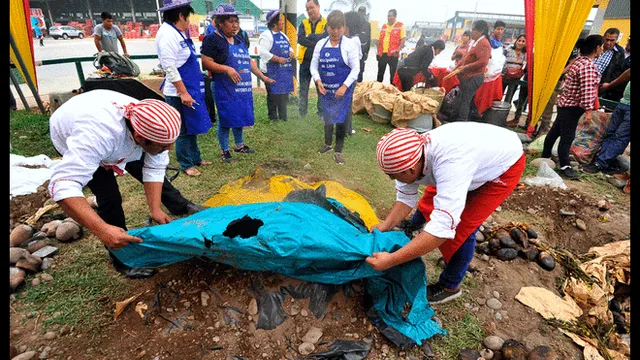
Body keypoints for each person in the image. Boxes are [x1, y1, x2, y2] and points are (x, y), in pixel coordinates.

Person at [47, 90, 206, 278]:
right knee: (109, 196)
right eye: (163, 146)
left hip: (106, 117)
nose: (168, 149)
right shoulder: (97, 137)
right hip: (69, 129)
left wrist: (154, 209)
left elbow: (154, 168)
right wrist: (102, 231)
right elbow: (63, 185)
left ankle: (178, 205)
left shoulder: (154, 123)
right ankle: (121, 258)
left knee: (149, 162)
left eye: (170, 143)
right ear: (139, 138)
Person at [366, 124, 525, 304]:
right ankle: (415, 228)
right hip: (474, 155)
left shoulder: (451, 164)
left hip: (502, 166)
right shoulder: (412, 154)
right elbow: (405, 198)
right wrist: (384, 226)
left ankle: (450, 286)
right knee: (429, 204)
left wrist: (392, 260)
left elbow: (442, 228)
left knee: (461, 229)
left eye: (393, 176)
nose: (393, 180)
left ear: (411, 169)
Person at [201, 3, 274, 163]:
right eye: (231, 21)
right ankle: (224, 149)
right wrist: (227, 69)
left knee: (239, 116)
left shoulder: (239, 39)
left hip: (242, 90)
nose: (235, 25)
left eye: (236, 21)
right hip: (224, 88)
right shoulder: (213, 39)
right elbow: (206, 62)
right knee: (226, 119)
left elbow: (248, 61)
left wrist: (263, 77)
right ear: (220, 22)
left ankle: (239, 145)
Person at [156, 0, 212, 177]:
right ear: (181, 15)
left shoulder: (177, 33)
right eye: (188, 17)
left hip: (189, 88)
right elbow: (170, 68)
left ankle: (196, 158)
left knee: (192, 125)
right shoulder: (167, 35)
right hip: (178, 93)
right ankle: (186, 164)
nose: (189, 22)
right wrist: (183, 92)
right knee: (182, 130)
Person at [540, 34, 603, 180]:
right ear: (597, 48)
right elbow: (587, 90)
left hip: (565, 104)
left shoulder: (578, 61)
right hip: (572, 107)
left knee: (556, 131)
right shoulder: (588, 66)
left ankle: (546, 155)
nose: (602, 50)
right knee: (567, 136)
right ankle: (565, 166)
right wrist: (588, 111)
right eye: (601, 47)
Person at [311, 10, 360, 165]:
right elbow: (313, 66)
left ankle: (338, 150)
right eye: (332, 28)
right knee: (328, 117)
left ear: (344, 27)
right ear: (327, 28)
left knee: (341, 119)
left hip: (342, 91)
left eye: (339, 28)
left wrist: (345, 86)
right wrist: (318, 81)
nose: (336, 31)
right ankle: (327, 144)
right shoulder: (321, 44)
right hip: (326, 90)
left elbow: (355, 69)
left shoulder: (349, 45)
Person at [582, 68, 631, 175]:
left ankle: (600, 163)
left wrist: (610, 85)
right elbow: (628, 72)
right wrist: (610, 85)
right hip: (624, 103)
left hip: (626, 107)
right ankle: (601, 161)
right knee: (611, 133)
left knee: (620, 137)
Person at [259, 9, 295, 122]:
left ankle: (283, 116)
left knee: (283, 93)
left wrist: (291, 51)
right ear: (274, 23)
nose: (283, 22)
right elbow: (263, 53)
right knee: (273, 94)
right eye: (280, 20)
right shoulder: (266, 36)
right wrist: (277, 59)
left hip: (283, 71)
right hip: (270, 71)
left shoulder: (284, 35)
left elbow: (289, 46)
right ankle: (273, 116)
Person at [453, 20, 491, 122]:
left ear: (481, 31)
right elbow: (466, 57)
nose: (472, 32)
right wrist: (457, 68)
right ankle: (467, 118)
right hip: (468, 76)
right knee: (466, 99)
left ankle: (462, 121)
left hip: (475, 76)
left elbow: (483, 62)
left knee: (465, 100)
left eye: (474, 30)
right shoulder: (475, 42)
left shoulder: (483, 43)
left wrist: (465, 67)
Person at [297, 0, 328, 119]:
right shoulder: (303, 23)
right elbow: (300, 39)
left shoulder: (326, 23)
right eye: (307, 9)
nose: (309, 11)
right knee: (303, 89)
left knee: (321, 88)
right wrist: (316, 42)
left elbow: (325, 38)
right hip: (305, 61)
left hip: (320, 62)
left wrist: (310, 37)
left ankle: (321, 113)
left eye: (312, 8)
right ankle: (302, 113)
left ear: (318, 7)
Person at [595, 28, 628, 102]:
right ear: (603, 38)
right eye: (607, 39)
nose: (608, 43)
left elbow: (617, 71)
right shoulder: (596, 46)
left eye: (612, 40)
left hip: (600, 86)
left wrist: (608, 84)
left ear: (616, 40)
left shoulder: (619, 52)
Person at [376, 9, 406, 84]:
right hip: (383, 54)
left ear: (395, 16)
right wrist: (377, 51)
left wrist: (398, 49)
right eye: (388, 16)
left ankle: (392, 90)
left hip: (393, 54)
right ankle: (377, 89)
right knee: (380, 73)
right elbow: (379, 40)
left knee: (393, 75)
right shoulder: (384, 26)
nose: (389, 18)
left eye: (391, 16)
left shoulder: (400, 25)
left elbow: (403, 39)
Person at [501, 34, 526, 105]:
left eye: (523, 41)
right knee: (498, 95)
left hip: (515, 79)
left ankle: (504, 114)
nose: (520, 43)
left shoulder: (525, 54)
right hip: (504, 76)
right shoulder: (508, 50)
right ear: (516, 41)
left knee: (509, 98)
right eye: (519, 40)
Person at [357, 6, 371, 82]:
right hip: (354, 51)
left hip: (363, 51)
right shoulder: (353, 23)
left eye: (363, 12)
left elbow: (368, 39)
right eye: (360, 11)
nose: (361, 13)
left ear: (365, 13)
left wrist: (367, 52)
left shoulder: (367, 25)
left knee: (360, 70)